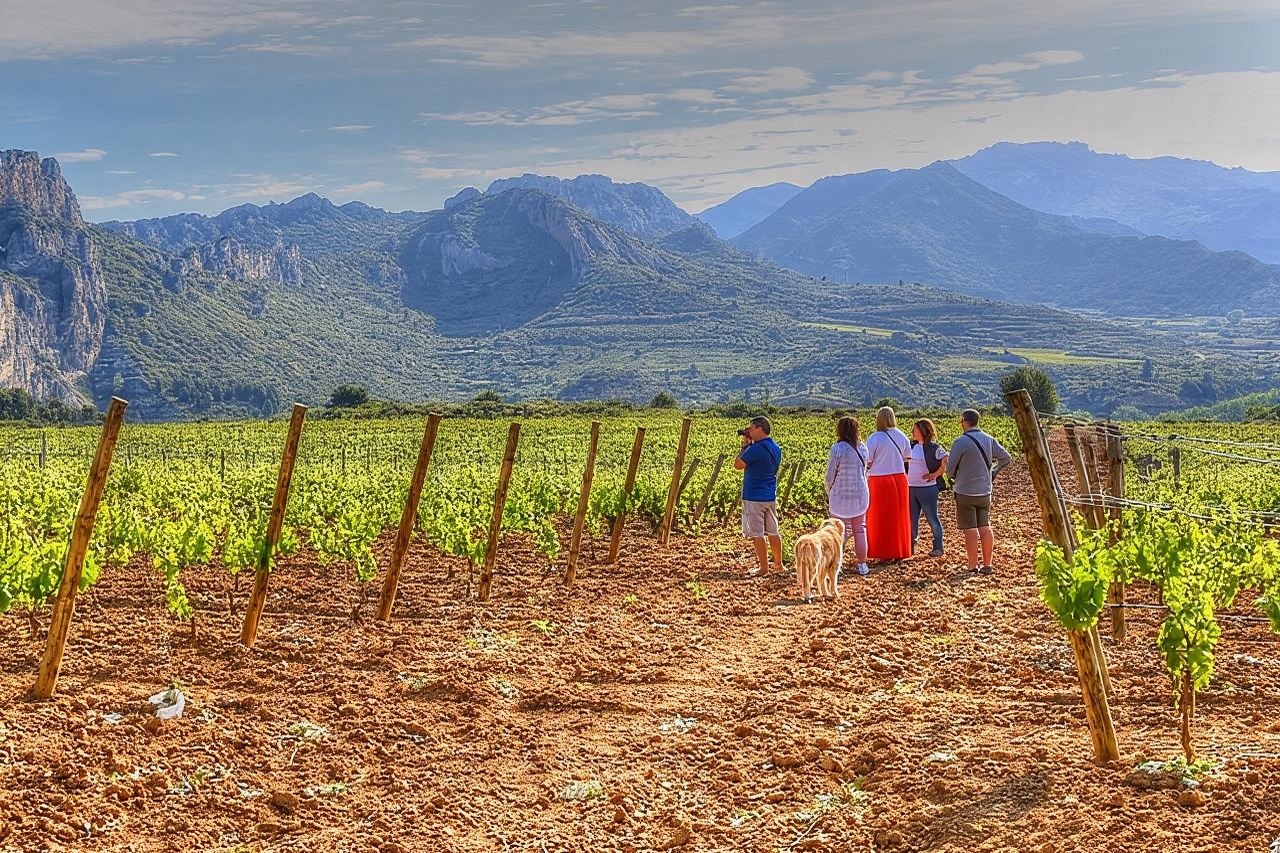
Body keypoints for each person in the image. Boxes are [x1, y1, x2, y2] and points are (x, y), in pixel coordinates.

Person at [945, 409, 1013, 574]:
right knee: (985, 526)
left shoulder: (960, 442)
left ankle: (972, 565)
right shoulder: (989, 439)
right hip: (984, 491)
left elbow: (949, 470)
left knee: (970, 529)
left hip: (965, 492)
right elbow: (1006, 457)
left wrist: (956, 475)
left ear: (964, 421)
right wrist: (993, 472)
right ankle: (988, 564)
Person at [734, 415, 783, 576]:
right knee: (773, 532)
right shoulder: (776, 447)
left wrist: (744, 447)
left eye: (751, 428)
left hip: (753, 496)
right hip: (770, 495)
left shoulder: (755, 449)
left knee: (757, 534)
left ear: (760, 428)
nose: (749, 431)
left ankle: (763, 568)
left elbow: (738, 464)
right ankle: (778, 565)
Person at [864, 406, 912, 563]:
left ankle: (884, 553)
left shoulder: (874, 438)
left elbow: (868, 461)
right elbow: (907, 458)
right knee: (899, 516)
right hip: (899, 479)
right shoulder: (902, 435)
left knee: (880, 518)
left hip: (879, 480)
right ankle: (900, 550)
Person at [824, 415, 870, 576]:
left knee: (837, 531)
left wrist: (829, 490)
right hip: (860, 495)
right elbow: (864, 472)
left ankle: (837, 564)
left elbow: (830, 475)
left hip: (840, 496)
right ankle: (862, 564)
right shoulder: (862, 448)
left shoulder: (837, 449)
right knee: (859, 529)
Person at [907, 418, 948, 557]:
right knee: (911, 519)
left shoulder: (934, 448)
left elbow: (946, 460)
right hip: (911, 487)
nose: (913, 431)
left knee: (932, 518)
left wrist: (935, 475)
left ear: (923, 431)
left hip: (927, 488)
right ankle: (911, 546)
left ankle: (938, 547)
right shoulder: (910, 446)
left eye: (916, 428)